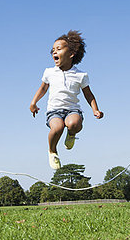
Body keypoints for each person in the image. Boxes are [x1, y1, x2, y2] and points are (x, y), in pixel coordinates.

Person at [30, 30, 104, 169]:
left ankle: (71, 134)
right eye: (53, 50)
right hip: (54, 111)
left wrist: (95, 109)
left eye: (59, 49)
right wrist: (34, 103)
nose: (54, 52)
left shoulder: (80, 75)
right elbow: (43, 89)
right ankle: (52, 151)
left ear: (71, 54)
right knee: (57, 128)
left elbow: (89, 94)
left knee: (74, 123)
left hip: (72, 110)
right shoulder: (49, 72)